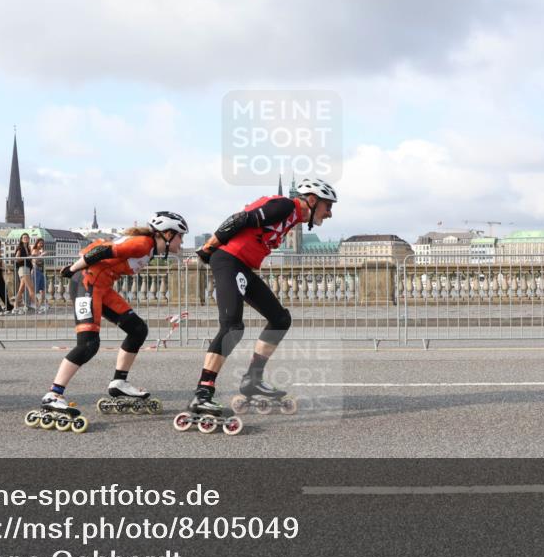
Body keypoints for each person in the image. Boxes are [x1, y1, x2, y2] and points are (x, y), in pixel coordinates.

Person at [188, 177, 337, 417]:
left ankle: (253, 380)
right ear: (312, 200)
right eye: (328, 206)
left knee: (280, 319)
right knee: (232, 327)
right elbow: (240, 219)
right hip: (229, 260)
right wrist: (209, 246)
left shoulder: (293, 217)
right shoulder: (285, 206)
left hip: (242, 266)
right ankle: (202, 393)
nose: (329, 213)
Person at [34, 212, 188, 418]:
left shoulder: (149, 248)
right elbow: (101, 250)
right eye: (181, 236)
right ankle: (53, 394)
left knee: (137, 329)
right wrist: (71, 269)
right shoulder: (143, 243)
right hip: (87, 283)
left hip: (102, 288)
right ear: (168, 234)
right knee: (88, 344)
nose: (182, 241)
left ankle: (119, 383)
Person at [12, 233, 36, 313]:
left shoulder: (28, 248)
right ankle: (38, 306)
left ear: (29, 239)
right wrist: (27, 257)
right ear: (21, 239)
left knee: (21, 289)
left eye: (27, 237)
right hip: (23, 269)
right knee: (31, 288)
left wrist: (31, 257)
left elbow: (29, 259)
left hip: (27, 268)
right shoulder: (20, 248)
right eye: (24, 237)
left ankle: (15, 307)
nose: (25, 238)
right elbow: (17, 259)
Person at [31, 237, 48, 314]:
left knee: (44, 288)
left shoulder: (40, 251)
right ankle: (35, 304)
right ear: (37, 243)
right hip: (36, 271)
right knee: (35, 289)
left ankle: (41, 304)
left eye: (42, 243)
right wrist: (41, 255)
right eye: (40, 243)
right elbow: (35, 260)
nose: (41, 244)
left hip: (41, 271)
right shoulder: (34, 251)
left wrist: (42, 254)